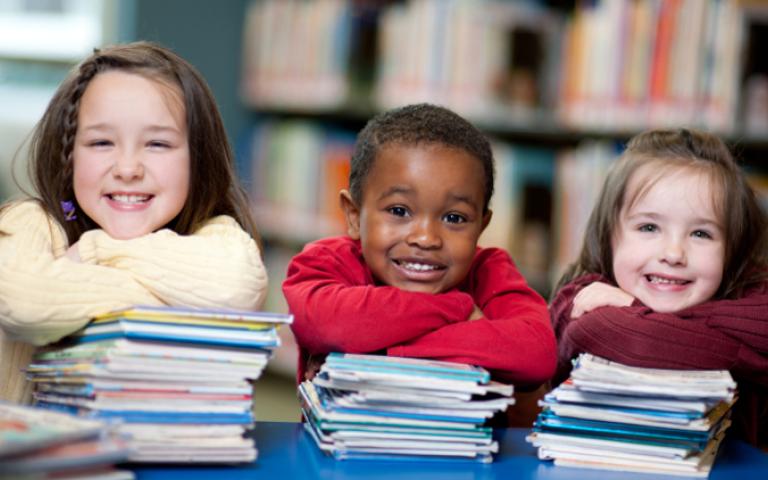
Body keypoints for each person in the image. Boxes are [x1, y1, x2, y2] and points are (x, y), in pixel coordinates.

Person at [0, 42, 267, 404]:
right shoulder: (29, 223)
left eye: (157, 143)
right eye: (101, 142)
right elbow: (26, 305)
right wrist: (170, 298)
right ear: (68, 157)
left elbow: (239, 286)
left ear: (198, 158)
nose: (128, 169)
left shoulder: (214, 233)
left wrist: (96, 250)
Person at [283, 103, 557, 407]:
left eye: (455, 218)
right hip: (344, 452)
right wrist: (456, 310)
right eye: (399, 211)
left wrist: (372, 350)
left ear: (481, 225)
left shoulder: (489, 270)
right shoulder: (326, 261)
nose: (426, 238)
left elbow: (537, 353)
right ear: (352, 215)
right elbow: (324, 324)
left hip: (461, 451)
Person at [550, 128, 768, 446]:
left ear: (733, 250)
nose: (673, 254)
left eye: (701, 234)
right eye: (649, 227)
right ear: (609, 236)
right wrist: (742, 354)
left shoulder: (753, 292)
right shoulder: (582, 297)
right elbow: (616, 335)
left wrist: (635, 312)